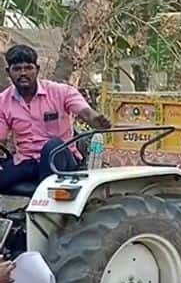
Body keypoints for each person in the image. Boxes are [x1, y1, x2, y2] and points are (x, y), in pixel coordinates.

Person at [0, 45, 111, 194]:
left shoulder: (61, 92)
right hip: (27, 161)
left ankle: (45, 207)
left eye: (28, 68)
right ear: (9, 72)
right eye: (17, 69)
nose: (23, 73)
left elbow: (85, 112)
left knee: (52, 146)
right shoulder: (3, 101)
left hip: (62, 160)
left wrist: (95, 120)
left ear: (37, 69)